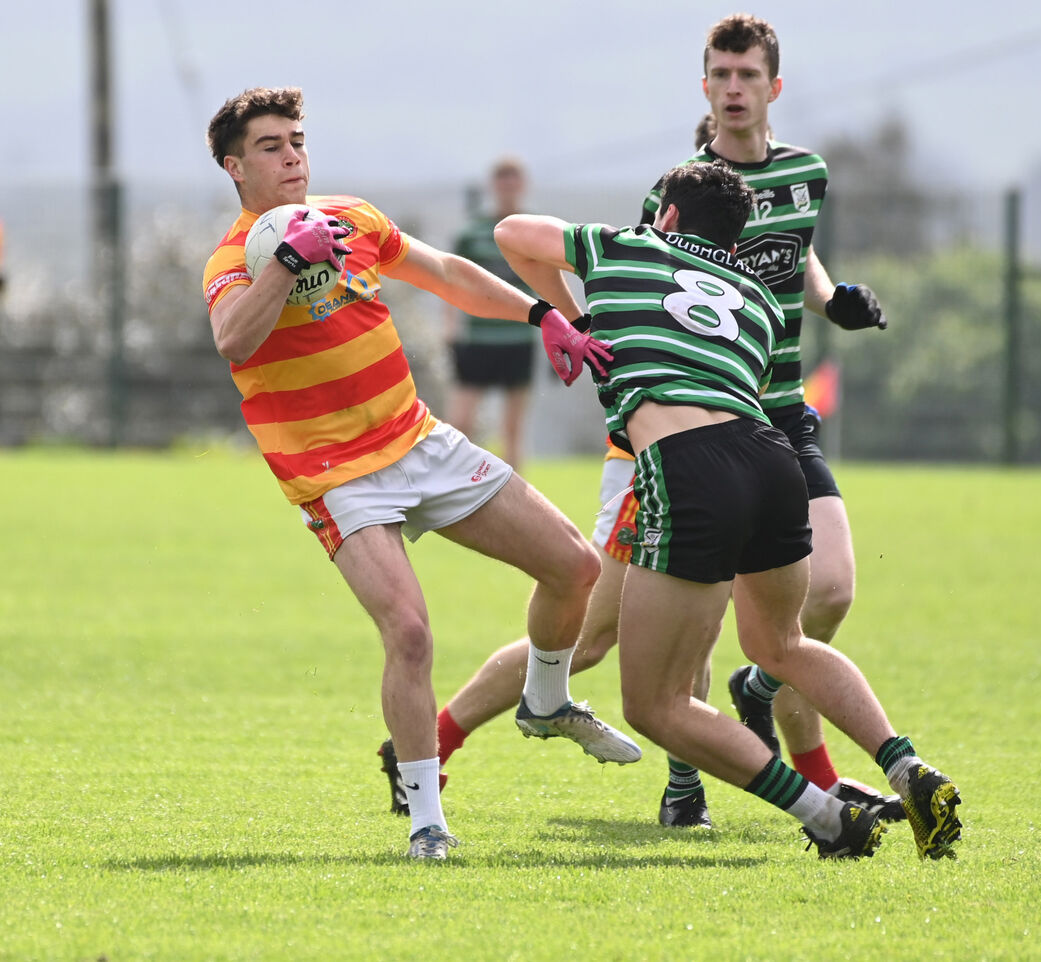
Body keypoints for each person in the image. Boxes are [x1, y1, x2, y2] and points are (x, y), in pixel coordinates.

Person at [200, 86, 638, 861]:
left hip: (418, 441)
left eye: (297, 140)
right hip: (334, 475)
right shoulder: (233, 262)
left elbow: (446, 274)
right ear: (235, 168)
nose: (292, 156)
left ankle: (544, 700)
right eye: (270, 146)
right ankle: (426, 822)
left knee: (575, 568)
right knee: (408, 632)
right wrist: (288, 263)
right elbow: (235, 339)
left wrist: (544, 317)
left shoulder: (353, 218)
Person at [494, 159, 963, 859]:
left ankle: (828, 817)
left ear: (668, 215)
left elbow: (512, 233)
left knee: (653, 704)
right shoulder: (759, 299)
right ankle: (908, 766)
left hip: (689, 468)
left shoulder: (626, 245)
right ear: (736, 241)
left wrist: (574, 318)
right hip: (774, 462)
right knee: (783, 645)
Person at [641, 13, 899, 818]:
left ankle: (759, 684)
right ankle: (686, 781)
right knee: (697, 616)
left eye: (747, 75)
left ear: (773, 86)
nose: (733, 88)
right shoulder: (679, 191)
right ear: (704, 86)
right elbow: (645, 284)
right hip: (705, 421)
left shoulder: (805, 173)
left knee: (831, 592)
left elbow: (796, 252)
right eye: (720, 75)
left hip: (783, 412)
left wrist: (830, 298)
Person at [445, 157, 540, 472]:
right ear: (493, 185)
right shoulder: (473, 233)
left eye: (513, 178)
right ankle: (459, 485)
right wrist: (451, 330)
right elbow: (451, 280)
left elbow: (551, 283)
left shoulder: (537, 230)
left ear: (522, 184)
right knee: (460, 422)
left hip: (519, 338)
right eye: (502, 178)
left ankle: (519, 497)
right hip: (478, 339)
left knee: (512, 430)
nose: (508, 185)